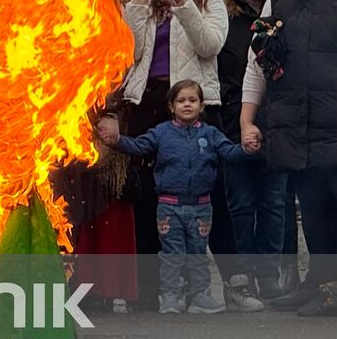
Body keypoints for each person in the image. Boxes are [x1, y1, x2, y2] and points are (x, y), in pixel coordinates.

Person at [120, 0, 228, 307]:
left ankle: (212, 286)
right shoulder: (143, 2)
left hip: (192, 101)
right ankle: (153, 291)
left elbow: (210, 45)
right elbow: (127, 54)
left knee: (202, 195)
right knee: (148, 198)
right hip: (147, 103)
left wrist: (184, 5)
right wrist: (137, 7)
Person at [240, 0, 337, 317]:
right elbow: (256, 61)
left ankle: (329, 290)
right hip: (294, 124)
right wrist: (248, 121)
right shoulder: (276, 0)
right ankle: (319, 283)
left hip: (334, 121)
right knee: (312, 210)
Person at [98, 79, 258, 314]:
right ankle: (170, 295)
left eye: (193, 100)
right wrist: (117, 141)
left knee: (197, 255)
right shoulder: (162, 133)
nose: (187, 105)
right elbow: (140, 146)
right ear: (171, 106)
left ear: (202, 106)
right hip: (169, 208)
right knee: (171, 256)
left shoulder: (211, 135)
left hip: (201, 209)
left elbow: (229, 152)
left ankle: (200, 296)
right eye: (181, 101)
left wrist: (246, 148)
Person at [217, 0, 284, 307]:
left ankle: (270, 277)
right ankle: (241, 280)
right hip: (233, 122)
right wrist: (239, 120)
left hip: (277, 123)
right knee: (240, 204)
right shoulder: (225, 20)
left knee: (273, 204)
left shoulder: (280, 19)